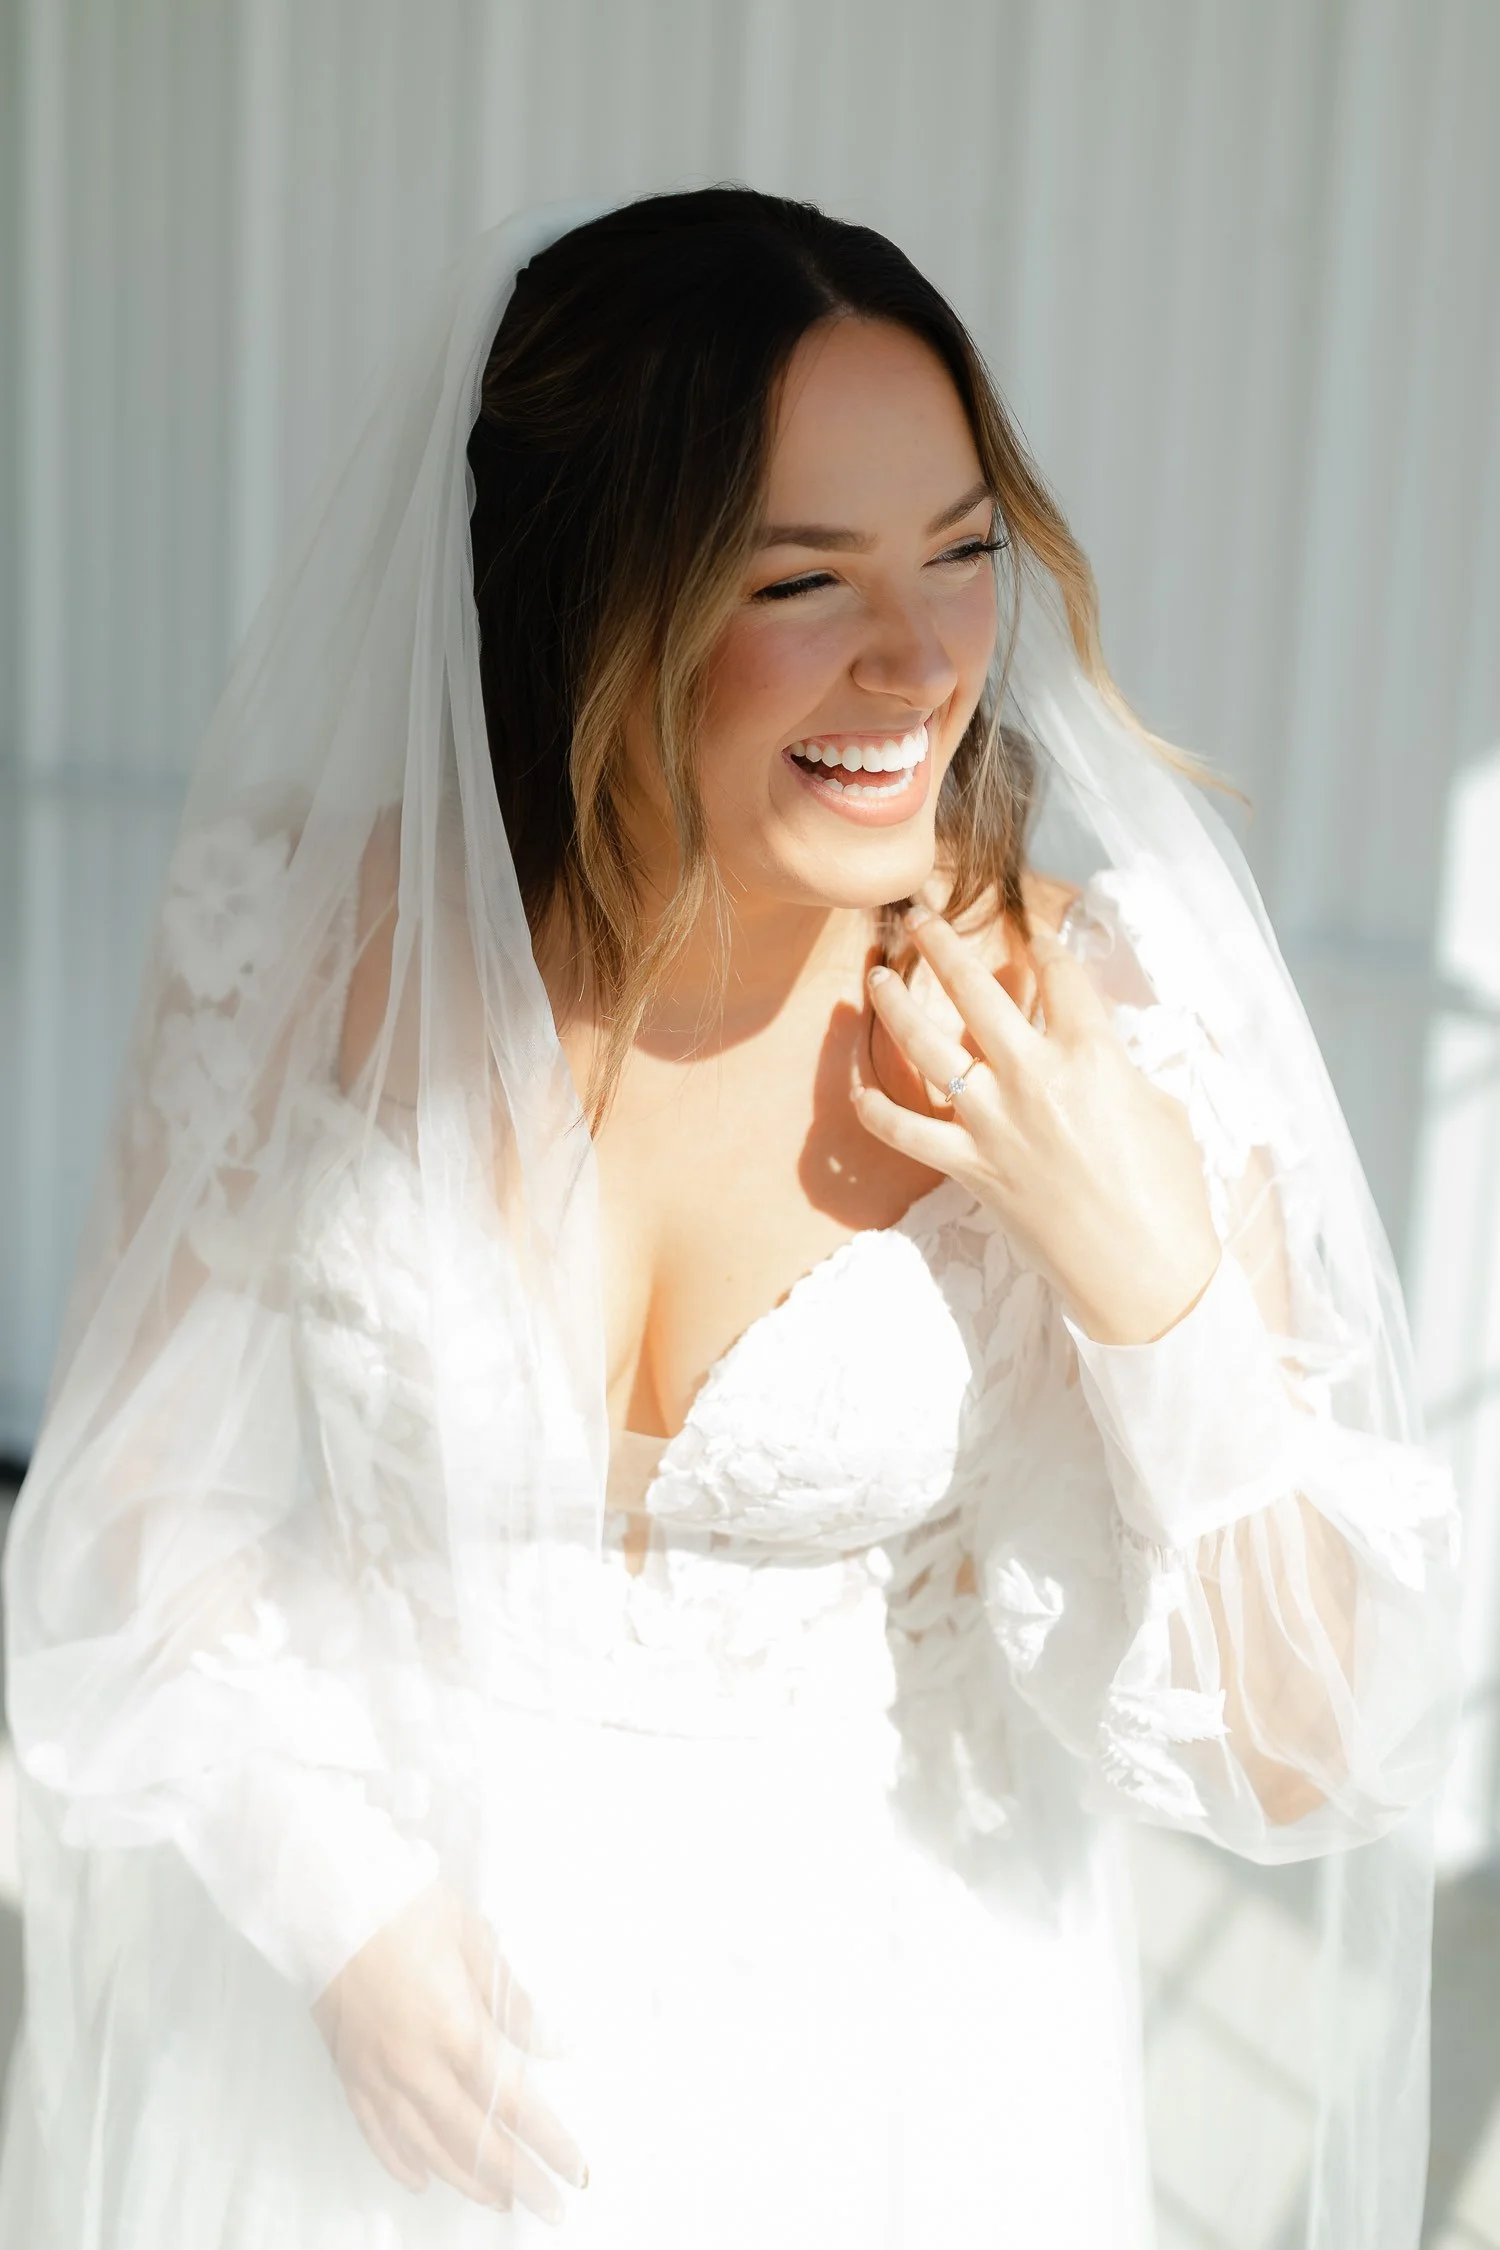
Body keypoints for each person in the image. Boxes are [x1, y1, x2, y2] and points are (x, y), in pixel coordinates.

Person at [0, 189, 1462, 2249]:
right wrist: (332, 1905)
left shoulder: (1072, 1013)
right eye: (808, 577)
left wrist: (1146, 1269)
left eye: (964, 553)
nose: (924, 655)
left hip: (878, 2094)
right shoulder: (304, 943)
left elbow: (1311, 1751)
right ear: (599, 593)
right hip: (373, 2087)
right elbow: (141, 1523)